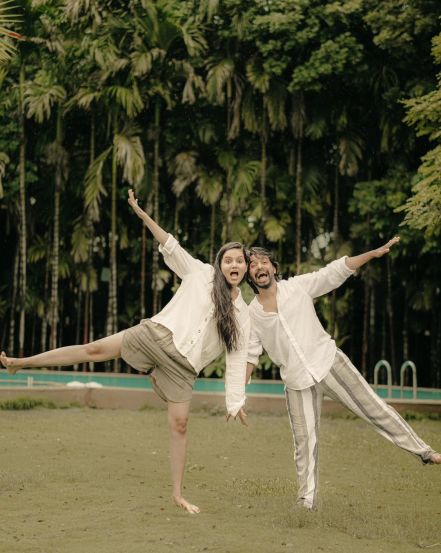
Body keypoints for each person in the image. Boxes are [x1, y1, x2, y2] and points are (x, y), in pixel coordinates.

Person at [1, 189, 250, 514]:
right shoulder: (199, 272)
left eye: (239, 260)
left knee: (180, 425)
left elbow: (236, 358)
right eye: (228, 259)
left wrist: (235, 401)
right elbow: (169, 242)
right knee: (93, 349)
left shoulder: (243, 313)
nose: (233, 264)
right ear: (220, 263)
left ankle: (177, 494)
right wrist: (141, 212)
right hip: (156, 336)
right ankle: (21, 363)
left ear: (245, 268)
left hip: (183, 368)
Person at [245, 237, 441, 510]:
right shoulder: (252, 314)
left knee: (375, 409)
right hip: (296, 381)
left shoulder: (298, 287)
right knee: (304, 442)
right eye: (253, 265)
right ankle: (306, 500)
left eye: (263, 261)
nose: (258, 267)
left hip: (329, 362)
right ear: (249, 275)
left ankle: (425, 452)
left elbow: (333, 273)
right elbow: (251, 354)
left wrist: (371, 253)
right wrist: (237, 391)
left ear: (274, 268)